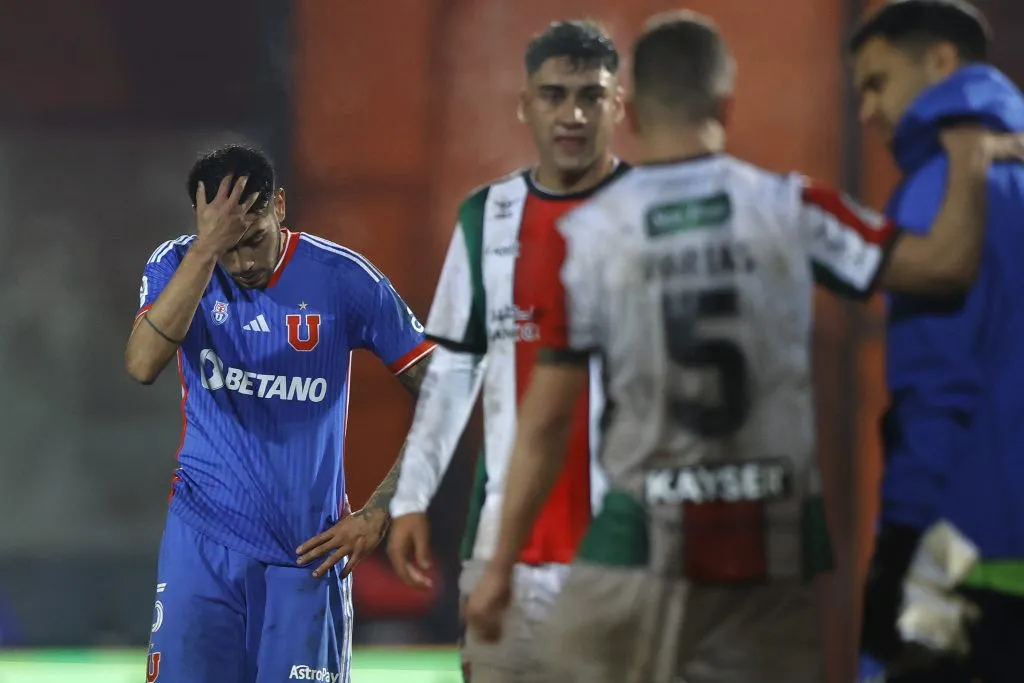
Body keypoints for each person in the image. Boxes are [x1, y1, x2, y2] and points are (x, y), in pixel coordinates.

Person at [464, 10, 1019, 683]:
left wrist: (499, 568)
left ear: (631, 113)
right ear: (725, 103)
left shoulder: (589, 237)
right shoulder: (794, 207)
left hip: (641, 542)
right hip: (770, 552)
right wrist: (968, 149)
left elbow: (547, 418)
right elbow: (946, 266)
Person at [126, 144, 435, 683]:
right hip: (202, 546)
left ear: (281, 206)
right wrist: (205, 252)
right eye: (228, 247)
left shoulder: (343, 279)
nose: (243, 264)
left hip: (308, 555)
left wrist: (385, 509)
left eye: (253, 241)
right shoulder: (178, 264)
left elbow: (445, 392)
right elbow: (142, 364)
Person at [384, 20, 626, 683]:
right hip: (503, 554)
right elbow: (452, 370)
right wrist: (411, 499)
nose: (572, 113)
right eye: (554, 95)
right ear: (524, 104)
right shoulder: (485, 216)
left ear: (619, 104)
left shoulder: (647, 212)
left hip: (627, 554)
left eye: (590, 95)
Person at [849, 2, 1024, 681]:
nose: (867, 108)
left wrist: (899, 544)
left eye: (878, 81)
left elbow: (935, 387)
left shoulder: (940, 194)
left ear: (940, 62)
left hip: (969, 563)